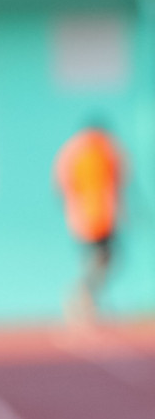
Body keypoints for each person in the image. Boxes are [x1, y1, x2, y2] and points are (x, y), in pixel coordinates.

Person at [54, 122, 124, 320]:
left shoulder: (99, 152)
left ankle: (86, 299)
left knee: (103, 259)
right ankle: (81, 297)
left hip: (100, 218)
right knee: (98, 259)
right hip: (89, 218)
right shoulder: (82, 151)